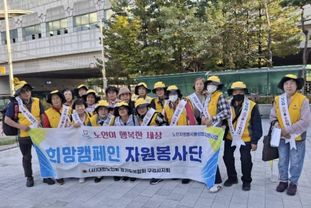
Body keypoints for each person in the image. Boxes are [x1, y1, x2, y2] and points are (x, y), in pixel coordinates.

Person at [4, 79, 55, 187]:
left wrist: (41, 123)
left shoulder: (37, 101)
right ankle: (29, 177)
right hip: (24, 135)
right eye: (23, 91)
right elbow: (7, 120)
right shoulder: (14, 104)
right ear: (19, 94)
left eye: (28, 90)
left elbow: (42, 114)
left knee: (43, 155)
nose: (27, 93)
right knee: (27, 157)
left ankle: (46, 176)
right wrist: (20, 126)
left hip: (38, 134)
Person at [270, 74, 311, 196]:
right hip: (282, 137)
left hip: (297, 137)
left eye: (292, 83)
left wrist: (288, 130)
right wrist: (276, 125)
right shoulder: (278, 99)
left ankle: (293, 183)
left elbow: (305, 121)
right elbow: (273, 116)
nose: (289, 85)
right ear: (283, 86)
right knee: (282, 160)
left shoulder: (303, 100)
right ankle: (283, 181)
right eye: (286, 83)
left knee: (296, 161)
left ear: (297, 86)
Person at [224, 81, 262, 191]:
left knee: (245, 159)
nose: (238, 93)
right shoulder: (227, 103)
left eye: (240, 91)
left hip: (246, 137)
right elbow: (223, 120)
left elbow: (257, 124)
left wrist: (255, 141)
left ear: (244, 92)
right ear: (232, 92)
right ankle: (232, 178)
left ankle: (246, 181)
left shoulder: (251, 105)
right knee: (227, 157)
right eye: (235, 91)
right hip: (230, 137)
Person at [201, 76, 231, 193]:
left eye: (213, 84)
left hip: (216, 130)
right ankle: (211, 178)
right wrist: (204, 118)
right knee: (209, 154)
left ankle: (216, 181)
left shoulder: (220, 96)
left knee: (212, 155)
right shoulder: (208, 97)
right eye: (209, 84)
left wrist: (213, 118)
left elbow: (226, 112)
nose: (210, 86)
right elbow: (205, 112)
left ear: (217, 86)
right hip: (209, 130)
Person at [163, 85, 196, 184]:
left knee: (185, 155)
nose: (172, 95)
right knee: (175, 155)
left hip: (184, 135)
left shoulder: (185, 104)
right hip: (172, 136)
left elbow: (192, 119)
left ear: (178, 94)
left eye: (174, 93)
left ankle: (186, 174)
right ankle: (177, 173)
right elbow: (165, 120)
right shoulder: (166, 106)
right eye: (170, 93)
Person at [42, 90, 71, 185]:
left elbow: (73, 121)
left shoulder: (68, 109)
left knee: (68, 157)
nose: (55, 100)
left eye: (57, 98)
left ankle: (71, 172)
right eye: (53, 99)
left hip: (69, 138)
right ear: (51, 101)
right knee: (57, 158)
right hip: (55, 140)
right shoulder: (47, 113)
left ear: (61, 99)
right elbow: (46, 128)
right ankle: (59, 176)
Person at [135, 98, 167, 185]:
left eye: (143, 107)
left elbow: (166, 128)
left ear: (147, 107)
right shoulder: (138, 118)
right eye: (139, 108)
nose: (141, 109)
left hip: (159, 143)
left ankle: (159, 175)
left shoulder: (156, 115)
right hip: (148, 144)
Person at [89, 100, 115, 183]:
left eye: (105, 109)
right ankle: (99, 174)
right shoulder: (92, 119)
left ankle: (115, 172)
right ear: (97, 111)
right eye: (101, 109)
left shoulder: (113, 118)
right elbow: (87, 131)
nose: (103, 111)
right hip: (97, 144)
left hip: (111, 143)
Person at [113, 101, 138, 182]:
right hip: (120, 144)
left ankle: (133, 173)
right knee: (123, 158)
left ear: (127, 110)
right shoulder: (115, 120)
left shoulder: (134, 118)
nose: (122, 110)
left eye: (124, 108)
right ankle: (124, 173)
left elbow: (140, 130)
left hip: (133, 143)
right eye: (120, 109)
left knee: (132, 158)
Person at [71, 98, 91, 183]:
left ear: (85, 106)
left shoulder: (90, 114)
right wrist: (72, 126)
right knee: (80, 157)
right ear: (74, 108)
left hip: (89, 140)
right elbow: (65, 129)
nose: (80, 108)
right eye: (77, 106)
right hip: (76, 141)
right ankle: (81, 175)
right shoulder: (71, 117)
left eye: (81, 106)